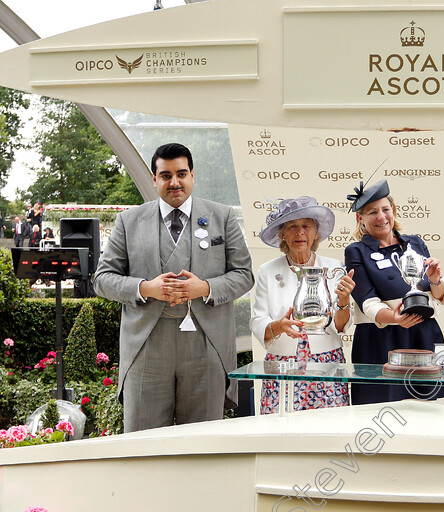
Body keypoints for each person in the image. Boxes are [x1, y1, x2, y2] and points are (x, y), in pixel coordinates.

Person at [93, 143, 254, 432]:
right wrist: (145, 288)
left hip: (207, 344)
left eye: (181, 174)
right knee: (144, 443)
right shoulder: (129, 222)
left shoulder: (223, 217)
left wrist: (205, 287)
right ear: (154, 179)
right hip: (147, 345)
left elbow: (244, 275)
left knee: (203, 442)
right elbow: (102, 279)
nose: (174, 182)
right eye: (165, 175)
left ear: (192, 175)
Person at [344, 179, 444, 405]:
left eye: (386, 209)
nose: (381, 217)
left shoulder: (415, 243)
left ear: (393, 211)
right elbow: (367, 301)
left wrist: (435, 280)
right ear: (360, 218)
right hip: (380, 342)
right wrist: (394, 318)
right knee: (381, 411)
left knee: (433, 410)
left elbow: (439, 295)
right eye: (372, 212)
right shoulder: (356, 251)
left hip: (424, 335)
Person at [250, 196, 355, 413]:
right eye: (292, 227)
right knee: (281, 431)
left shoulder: (334, 267)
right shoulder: (267, 270)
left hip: (327, 362)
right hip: (282, 363)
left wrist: (344, 301)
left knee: (329, 429)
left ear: (316, 233)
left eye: (306, 226)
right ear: (282, 234)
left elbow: (341, 326)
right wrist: (280, 326)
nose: (300, 233)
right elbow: (258, 319)